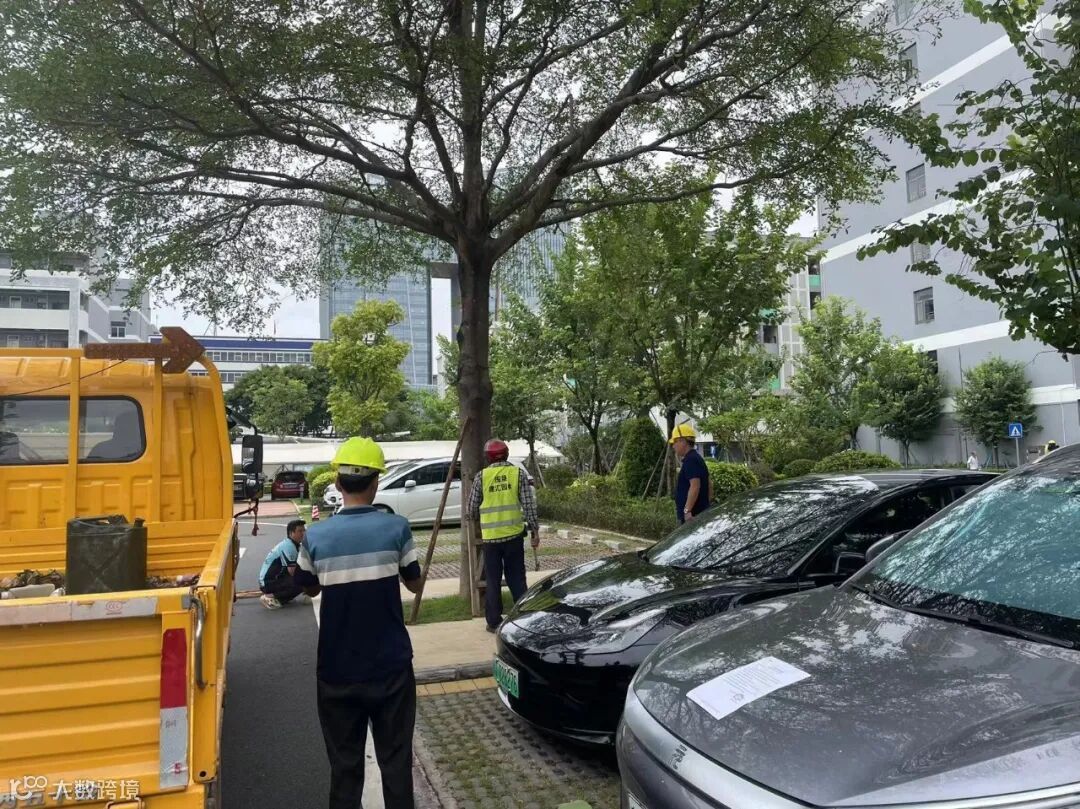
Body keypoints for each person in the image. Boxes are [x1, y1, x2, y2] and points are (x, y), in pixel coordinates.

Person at [292, 437, 422, 809]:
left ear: (337, 483)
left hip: (337, 670)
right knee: (396, 765)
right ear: (376, 483)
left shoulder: (315, 535)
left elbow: (309, 587)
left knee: (345, 770)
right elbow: (414, 584)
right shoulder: (397, 528)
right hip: (391, 668)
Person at [467, 438, 540, 633]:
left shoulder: (481, 477)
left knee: (492, 580)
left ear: (487, 457)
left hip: (491, 539)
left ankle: (493, 622)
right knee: (517, 579)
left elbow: (471, 509)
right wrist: (535, 531)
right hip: (514, 536)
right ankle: (523, 619)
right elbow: (529, 505)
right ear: (507, 454)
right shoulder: (518, 474)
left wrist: (477, 516)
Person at [258, 519, 307, 609]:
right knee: (301, 582)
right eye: (300, 531)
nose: (303, 533)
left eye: (304, 530)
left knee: (302, 578)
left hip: (272, 579)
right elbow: (292, 572)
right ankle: (270, 597)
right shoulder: (289, 547)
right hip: (267, 583)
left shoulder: (293, 544)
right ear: (291, 533)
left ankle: (281, 597)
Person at [670, 424, 710, 524]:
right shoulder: (696, 457)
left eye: (675, 442)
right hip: (699, 513)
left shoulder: (690, 460)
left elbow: (695, 486)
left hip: (692, 516)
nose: (673, 446)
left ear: (683, 441)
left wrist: (687, 511)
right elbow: (710, 484)